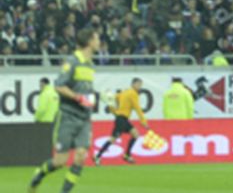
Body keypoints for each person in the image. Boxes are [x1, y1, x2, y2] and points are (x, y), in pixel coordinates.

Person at [29, 27, 99, 192]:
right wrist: (78, 97)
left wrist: (93, 99)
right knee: (60, 161)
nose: (99, 41)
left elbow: (85, 90)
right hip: (68, 116)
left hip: (84, 118)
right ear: (89, 41)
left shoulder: (90, 65)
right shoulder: (72, 61)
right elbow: (59, 85)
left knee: (81, 156)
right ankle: (39, 174)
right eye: (96, 38)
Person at [94, 79, 150, 165]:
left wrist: (112, 109)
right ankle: (98, 156)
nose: (139, 87)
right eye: (138, 84)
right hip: (121, 119)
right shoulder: (133, 94)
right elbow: (138, 108)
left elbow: (114, 97)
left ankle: (127, 155)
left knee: (135, 134)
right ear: (133, 84)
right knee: (113, 139)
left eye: (140, 85)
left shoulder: (125, 92)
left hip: (122, 119)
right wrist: (143, 122)